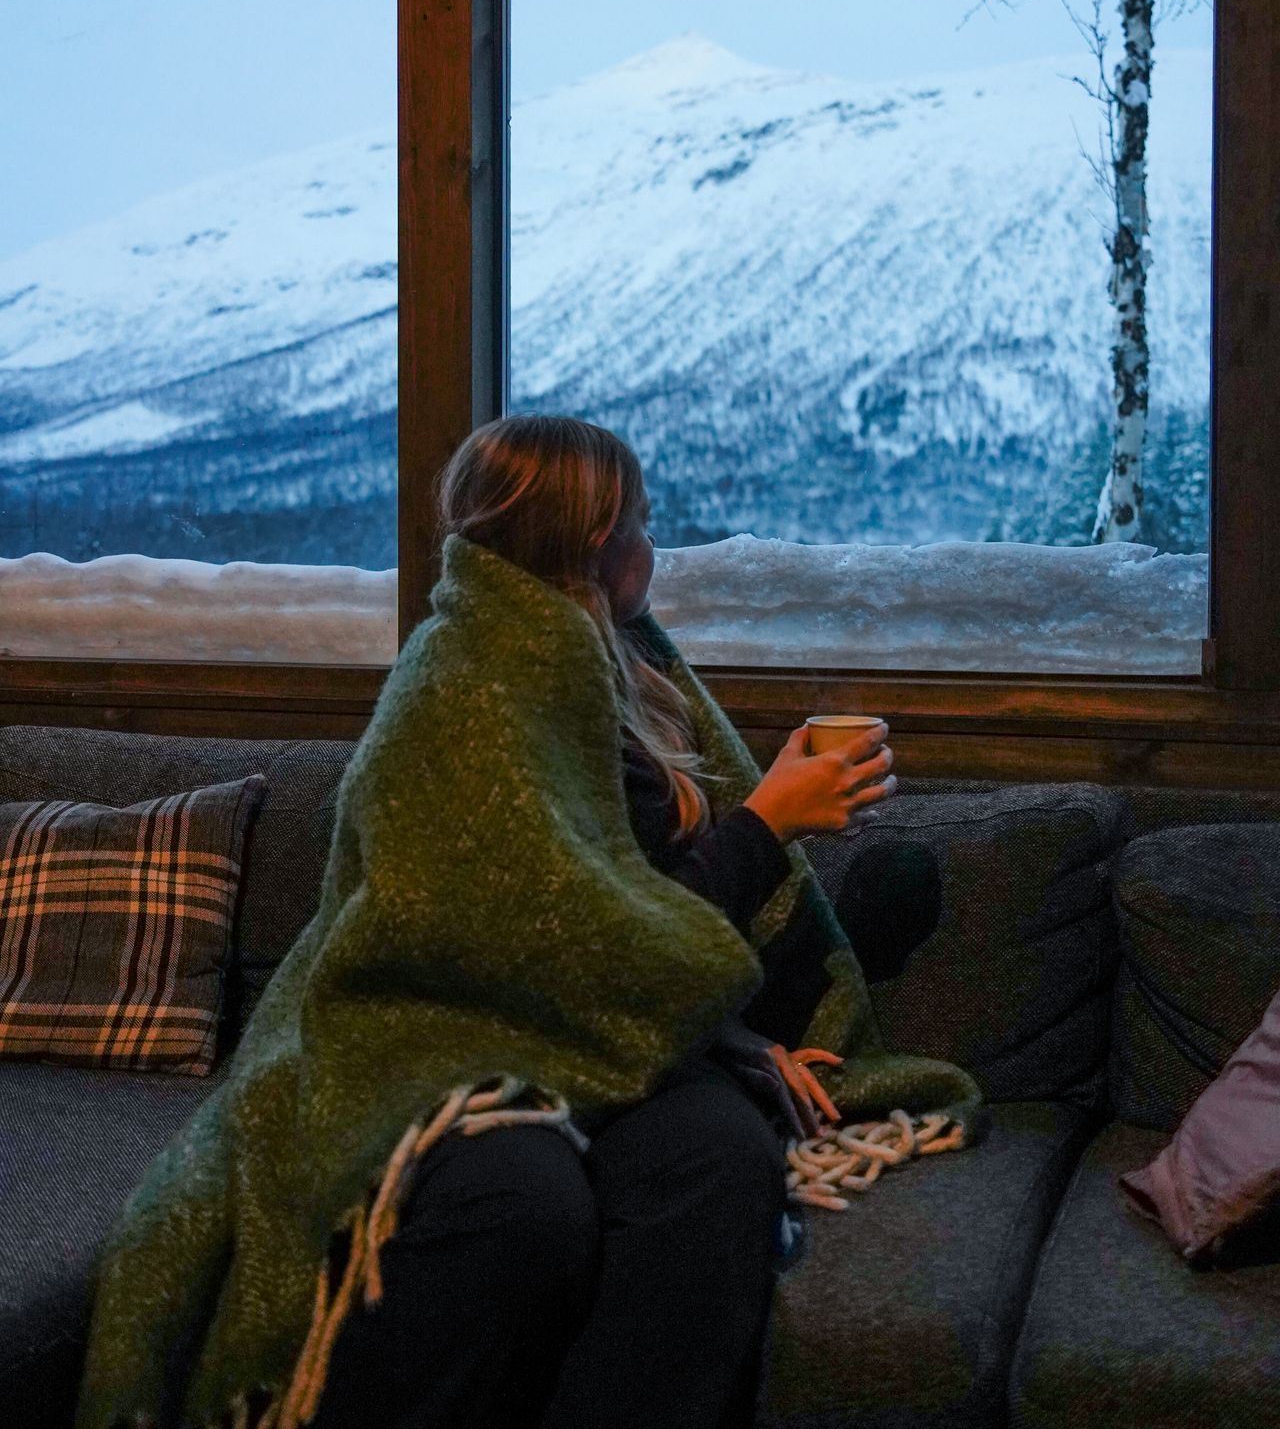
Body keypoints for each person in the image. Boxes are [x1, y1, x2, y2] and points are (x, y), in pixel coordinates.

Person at [304, 413, 920, 1429]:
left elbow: (625, 915)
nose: (652, 542)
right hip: (467, 1044)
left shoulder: (621, 667)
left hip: (606, 1033)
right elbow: (571, 944)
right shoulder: (464, 688)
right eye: (641, 521)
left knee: (719, 1160)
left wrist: (729, 1041)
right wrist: (766, 822)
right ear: (596, 541)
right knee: (527, 1209)